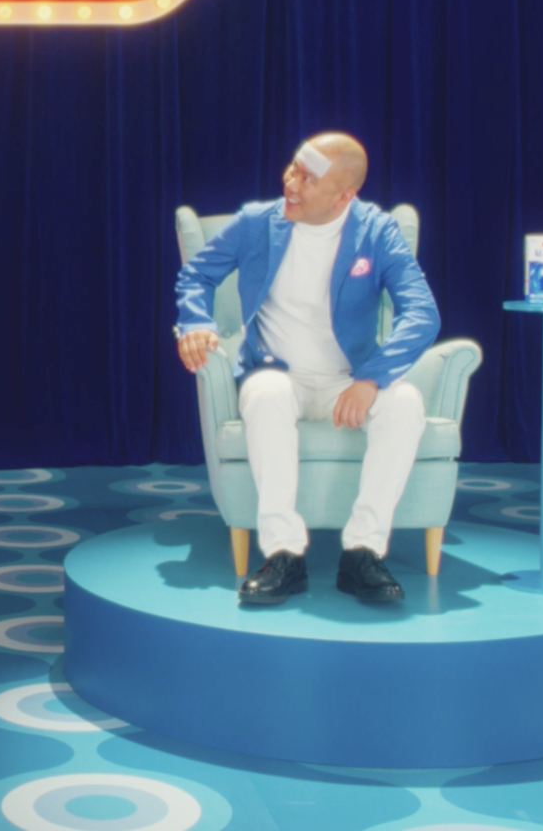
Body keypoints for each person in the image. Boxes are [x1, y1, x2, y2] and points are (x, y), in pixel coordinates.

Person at [174, 133, 438, 604]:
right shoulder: (257, 222)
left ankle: (362, 553)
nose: (291, 184)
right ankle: (283, 556)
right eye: (293, 168)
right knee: (267, 394)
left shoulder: (377, 232)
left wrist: (371, 378)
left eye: (308, 179)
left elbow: (422, 313)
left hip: (349, 380)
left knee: (405, 404)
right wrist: (195, 321)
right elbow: (197, 273)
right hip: (279, 375)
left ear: (344, 196)